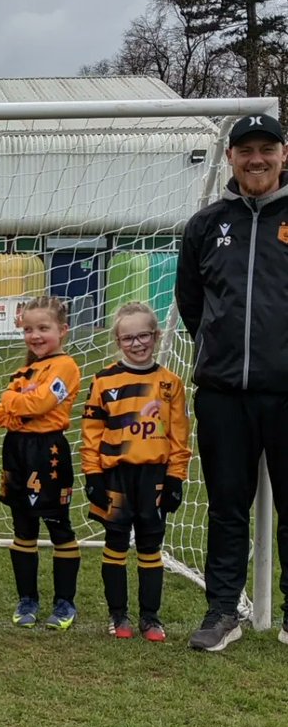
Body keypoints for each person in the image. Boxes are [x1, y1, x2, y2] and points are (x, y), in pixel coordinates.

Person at [176, 111, 288, 652]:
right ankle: (223, 611)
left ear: (283, 154)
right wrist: (222, 350)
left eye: (267, 148)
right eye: (246, 150)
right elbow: (191, 304)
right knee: (226, 505)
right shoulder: (205, 224)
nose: (256, 159)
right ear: (231, 158)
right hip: (222, 393)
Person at [81, 302, 190, 641]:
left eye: (144, 335)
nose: (137, 343)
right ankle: (118, 615)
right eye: (128, 338)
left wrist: (175, 478)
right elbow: (91, 433)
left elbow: (180, 436)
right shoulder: (104, 381)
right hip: (116, 477)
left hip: (154, 477)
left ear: (156, 336)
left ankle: (151, 617)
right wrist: (93, 476)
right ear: (117, 339)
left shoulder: (170, 383)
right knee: (114, 543)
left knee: (150, 546)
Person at [0, 296, 82, 631]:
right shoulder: (25, 370)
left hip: (48, 451)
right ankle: (27, 599)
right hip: (16, 449)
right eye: (28, 329)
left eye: (43, 328)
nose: (35, 335)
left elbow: (42, 402)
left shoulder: (65, 367)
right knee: (23, 527)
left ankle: (65, 602)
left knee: (58, 525)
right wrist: (17, 405)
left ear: (62, 330)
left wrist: (13, 401)